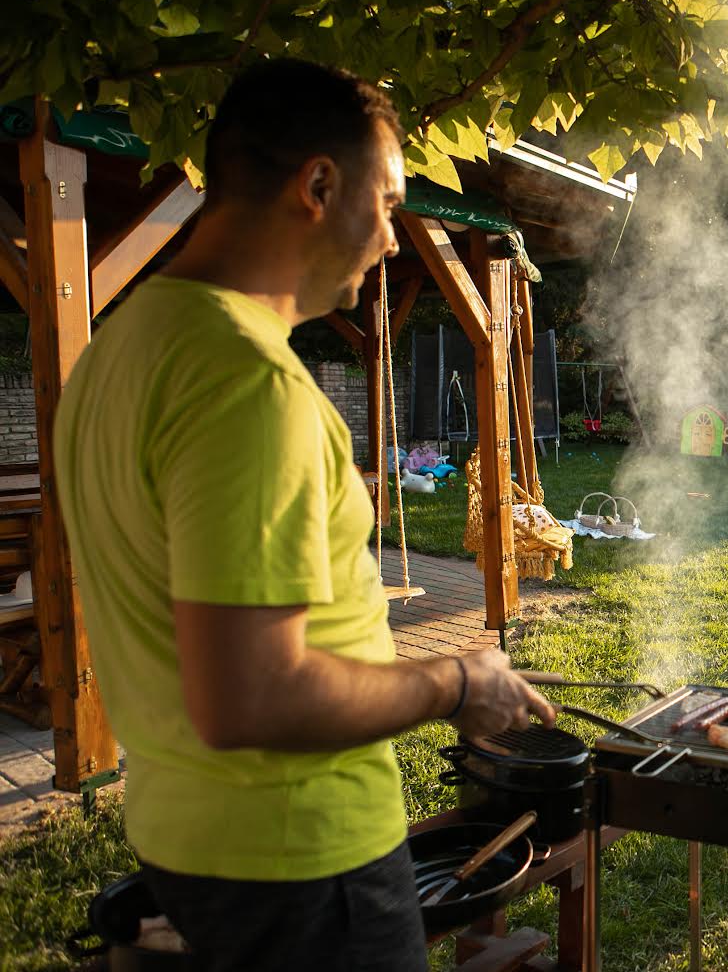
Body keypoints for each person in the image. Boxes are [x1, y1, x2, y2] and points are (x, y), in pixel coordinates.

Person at [54, 60, 555, 970]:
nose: (396, 242)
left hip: (189, 847)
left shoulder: (115, 351)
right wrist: (456, 682)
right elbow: (252, 695)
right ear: (319, 185)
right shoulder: (250, 386)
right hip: (303, 869)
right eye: (390, 201)